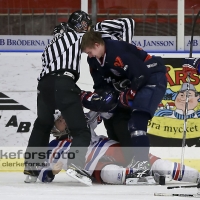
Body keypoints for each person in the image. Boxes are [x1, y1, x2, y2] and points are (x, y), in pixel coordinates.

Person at [52, 10, 136, 165]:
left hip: (129, 77)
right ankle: (125, 164)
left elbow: (128, 23)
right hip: (113, 85)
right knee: (111, 122)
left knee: (121, 122)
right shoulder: (87, 52)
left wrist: (126, 59)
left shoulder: (99, 29)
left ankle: (136, 165)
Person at [80, 31, 167, 170]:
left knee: (137, 120)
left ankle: (142, 163)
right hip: (135, 81)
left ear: (97, 45)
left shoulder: (116, 50)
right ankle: (127, 160)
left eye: (90, 52)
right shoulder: (93, 60)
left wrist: (129, 93)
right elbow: (100, 85)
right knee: (112, 118)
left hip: (152, 78)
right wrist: (101, 101)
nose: (89, 55)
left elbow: (140, 74)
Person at [37, 111, 200, 185]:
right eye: (60, 120)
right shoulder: (53, 147)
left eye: (65, 116)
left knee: (163, 166)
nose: (65, 120)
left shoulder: (83, 123)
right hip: (96, 167)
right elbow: (41, 172)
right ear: (54, 127)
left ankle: (196, 177)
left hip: (113, 149)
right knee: (111, 174)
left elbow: (104, 109)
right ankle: (147, 175)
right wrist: (51, 173)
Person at [23, 19, 92, 182]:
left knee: (42, 124)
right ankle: (76, 167)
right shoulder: (73, 35)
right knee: (81, 130)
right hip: (64, 83)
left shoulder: (48, 48)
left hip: (44, 85)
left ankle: (31, 169)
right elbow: (90, 36)